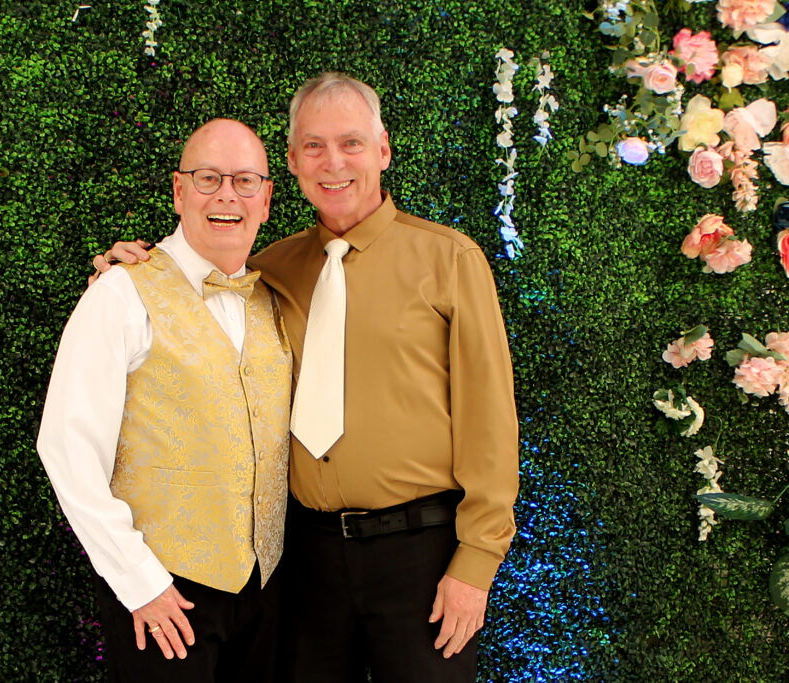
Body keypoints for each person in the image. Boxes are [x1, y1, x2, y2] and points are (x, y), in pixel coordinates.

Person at [93, 73, 519, 682]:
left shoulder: (450, 260)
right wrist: (127, 271)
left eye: (351, 143)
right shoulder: (268, 270)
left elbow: (490, 424)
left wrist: (475, 564)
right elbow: (195, 284)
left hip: (421, 556)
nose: (333, 162)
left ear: (383, 151)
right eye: (313, 146)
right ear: (291, 163)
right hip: (304, 563)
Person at [38, 118, 292, 683]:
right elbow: (67, 446)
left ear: (266, 198)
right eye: (208, 178)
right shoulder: (120, 291)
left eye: (245, 180)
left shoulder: (276, 297)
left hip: (266, 591)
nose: (227, 195)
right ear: (179, 191)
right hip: (164, 593)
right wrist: (139, 582)